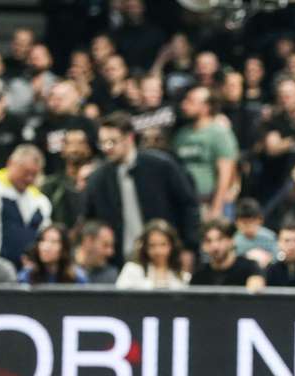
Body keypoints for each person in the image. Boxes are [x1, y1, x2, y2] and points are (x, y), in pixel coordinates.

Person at [85, 111, 199, 266]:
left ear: (129, 138)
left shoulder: (161, 166)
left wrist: (188, 247)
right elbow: (91, 219)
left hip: (166, 257)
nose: (106, 148)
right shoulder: (98, 179)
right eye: (102, 143)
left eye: (112, 142)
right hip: (120, 261)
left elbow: (188, 206)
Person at [173, 86, 239, 219]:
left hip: (209, 203)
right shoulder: (181, 135)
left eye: (191, 101)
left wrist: (216, 208)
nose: (184, 104)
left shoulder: (219, 133)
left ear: (206, 107)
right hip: (185, 204)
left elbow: (226, 174)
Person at [191, 219, 264, 290]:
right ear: (203, 246)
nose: (214, 246)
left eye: (220, 239)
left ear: (231, 240)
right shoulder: (199, 275)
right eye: (208, 241)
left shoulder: (250, 268)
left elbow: (255, 293)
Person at [116, 219, 189, 289]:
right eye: (152, 245)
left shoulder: (184, 277)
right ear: (145, 247)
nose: (158, 251)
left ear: (172, 245)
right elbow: (118, 298)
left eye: (163, 244)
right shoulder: (132, 270)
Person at [17, 223, 86, 284]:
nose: (46, 247)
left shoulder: (77, 278)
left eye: (53, 242)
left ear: (64, 248)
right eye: (43, 240)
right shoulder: (27, 276)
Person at [233, 197, 277, 267]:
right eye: (244, 222)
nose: (248, 226)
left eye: (251, 222)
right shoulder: (234, 240)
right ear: (236, 223)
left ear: (260, 220)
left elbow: (276, 258)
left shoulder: (269, 237)